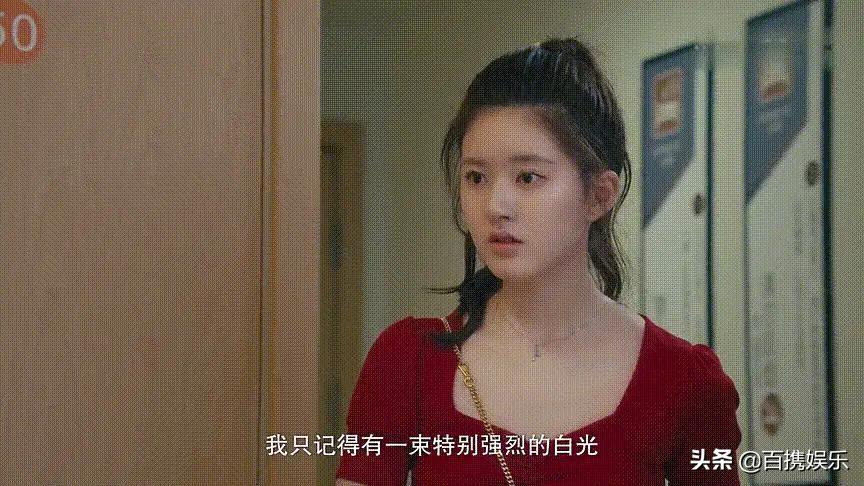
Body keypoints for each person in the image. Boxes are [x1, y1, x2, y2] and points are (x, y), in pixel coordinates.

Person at [335, 37, 741, 485]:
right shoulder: (407, 361)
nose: (496, 206)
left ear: (599, 195)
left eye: (527, 177)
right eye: (476, 177)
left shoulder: (685, 381)